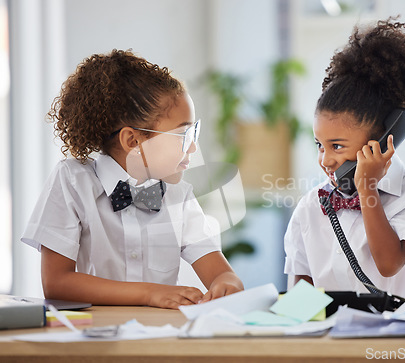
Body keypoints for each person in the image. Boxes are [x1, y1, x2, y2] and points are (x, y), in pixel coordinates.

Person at [21, 49, 243, 309]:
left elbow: (220, 273)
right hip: (92, 339)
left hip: (159, 337)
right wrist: (148, 294)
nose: (193, 148)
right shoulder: (73, 181)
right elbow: (57, 283)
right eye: (183, 136)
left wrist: (227, 283)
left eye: (194, 133)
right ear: (133, 141)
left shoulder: (179, 195)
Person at [284, 18, 405, 298]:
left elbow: (388, 264)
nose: (325, 159)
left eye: (336, 146)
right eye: (319, 145)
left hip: (396, 335)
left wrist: (367, 188)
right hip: (331, 337)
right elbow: (302, 289)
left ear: (382, 141)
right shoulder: (312, 205)